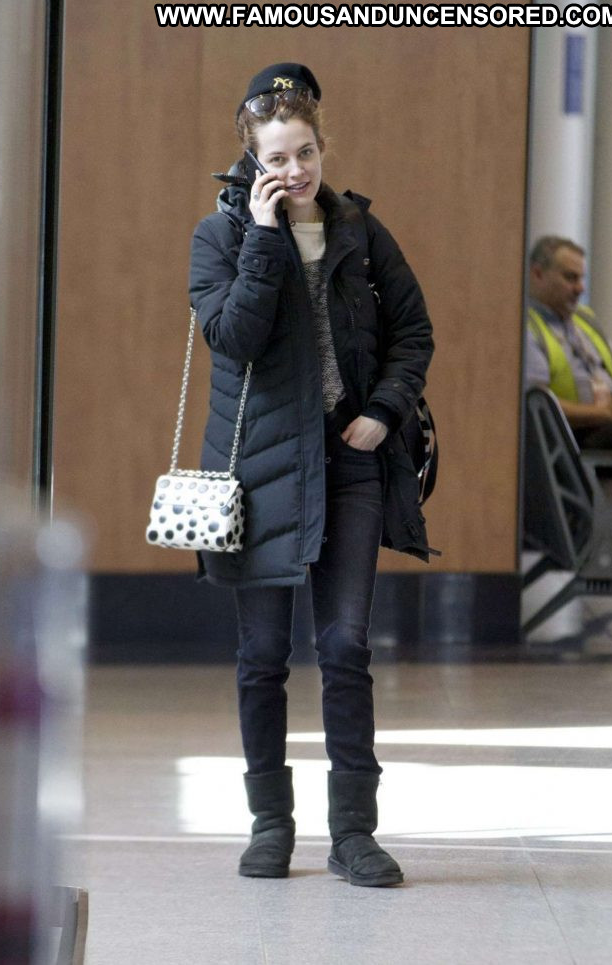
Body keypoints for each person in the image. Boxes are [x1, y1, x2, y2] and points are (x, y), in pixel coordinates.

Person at [189, 63, 433, 888]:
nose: (293, 170)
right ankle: (270, 824)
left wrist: (386, 410)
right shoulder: (219, 238)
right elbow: (234, 338)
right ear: (250, 159)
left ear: (322, 148)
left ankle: (353, 833)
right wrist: (265, 239)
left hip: (349, 460)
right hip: (259, 471)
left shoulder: (361, 230)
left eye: (305, 153)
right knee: (262, 653)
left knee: (345, 645)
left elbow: (414, 330)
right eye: (276, 157)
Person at [526, 235, 612, 449]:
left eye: (582, 278)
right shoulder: (525, 328)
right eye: (570, 278)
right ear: (538, 274)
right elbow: (538, 404)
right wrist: (606, 413)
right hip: (574, 434)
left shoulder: (583, 319)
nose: (580, 288)